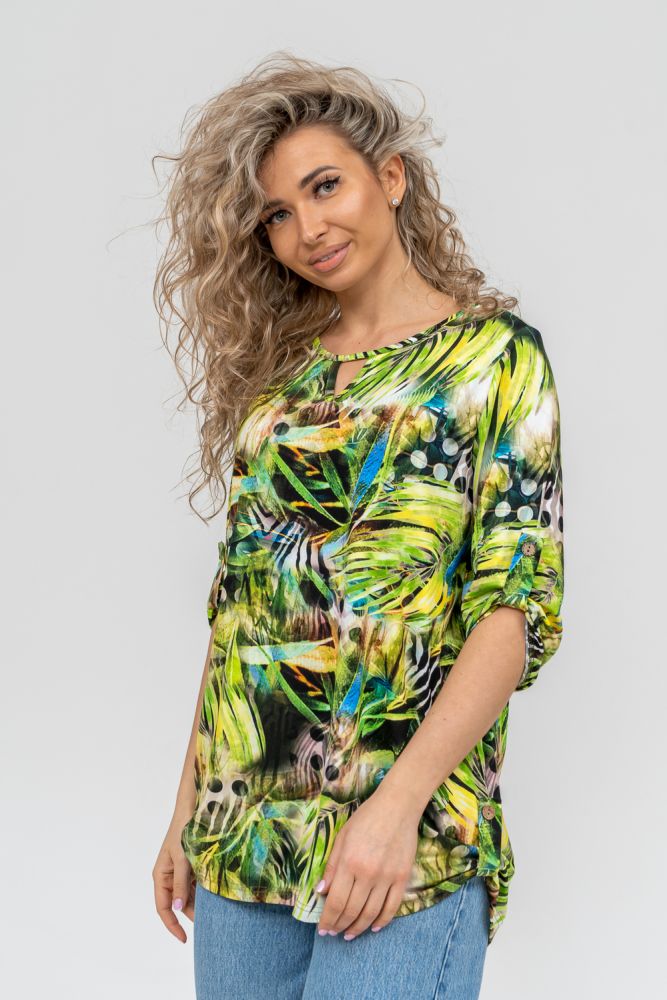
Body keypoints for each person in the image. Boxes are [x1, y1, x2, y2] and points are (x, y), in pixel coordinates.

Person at [150, 51, 565, 1000]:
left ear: (391, 177)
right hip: (245, 836)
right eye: (275, 214)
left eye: (324, 186)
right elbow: (244, 617)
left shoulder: (493, 361)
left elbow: (510, 613)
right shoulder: (280, 386)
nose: (307, 229)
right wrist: (186, 811)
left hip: (403, 847)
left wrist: (394, 809)